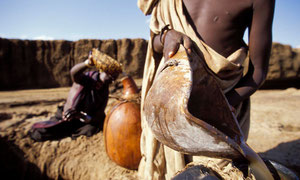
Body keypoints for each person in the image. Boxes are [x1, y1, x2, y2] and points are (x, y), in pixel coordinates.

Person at [137, 0, 275, 179]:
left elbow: (258, 73)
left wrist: (222, 106)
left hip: (220, 111)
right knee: (168, 167)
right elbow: (155, 44)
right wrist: (166, 37)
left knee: (213, 172)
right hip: (169, 100)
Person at [30, 50, 120, 141]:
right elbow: (74, 73)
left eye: (114, 79)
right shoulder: (86, 79)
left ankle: (72, 133)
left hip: (81, 121)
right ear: (103, 71)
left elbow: (99, 115)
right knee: (39, 133)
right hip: (66, 117)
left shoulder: (104, 91)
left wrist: (81, 116)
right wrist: (87, 63)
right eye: (111, 76)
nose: (112, 80)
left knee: (92, 129)